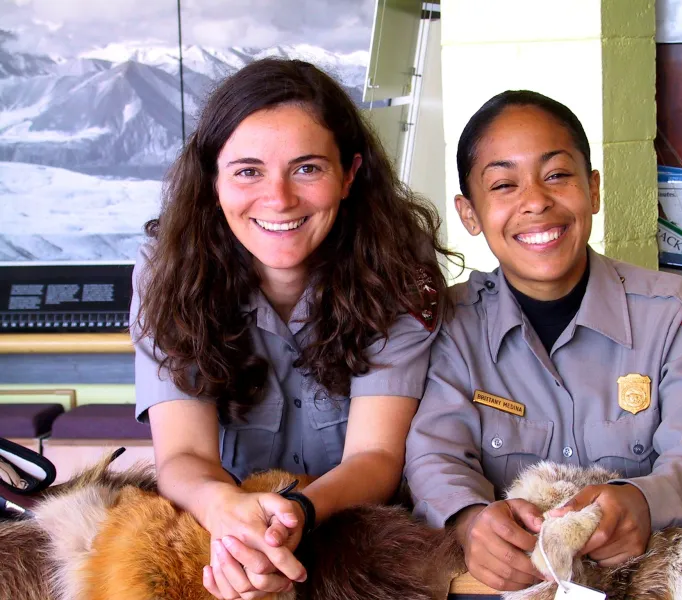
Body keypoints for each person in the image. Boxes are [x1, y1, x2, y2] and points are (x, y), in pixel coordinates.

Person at [403, 90, 682, 592]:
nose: (535, 202)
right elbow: (433, 456)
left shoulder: (677, 313)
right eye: (504, 184)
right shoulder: (451, 326)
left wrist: (645, 501)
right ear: (470, 214)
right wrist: (468, 520)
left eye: (557, 175)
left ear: (592, 190)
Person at [131, 58, 458, 600]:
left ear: (350, 174)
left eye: (307, 168)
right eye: (247, 171)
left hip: (357, 542)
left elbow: (374, 458)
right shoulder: (165, 274)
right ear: (213, 179)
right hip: (224, 541)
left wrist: (294, 516)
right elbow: (183, 458)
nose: (279, 199)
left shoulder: (400, 272)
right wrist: (230, 516)